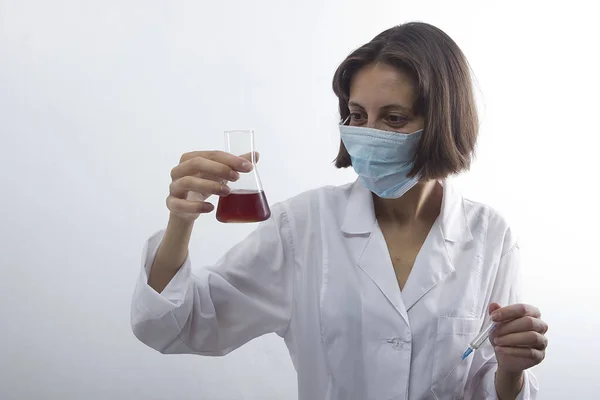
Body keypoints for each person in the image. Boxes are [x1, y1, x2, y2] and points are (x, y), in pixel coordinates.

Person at [131, 22, 548, 400]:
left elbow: (491, 382)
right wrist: (180, 222)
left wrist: (511, 371)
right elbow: (177, 326)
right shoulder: (303, 226)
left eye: (395, 118)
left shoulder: (491, 236)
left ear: (443, 120)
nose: (368, 136)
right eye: (357, 115)